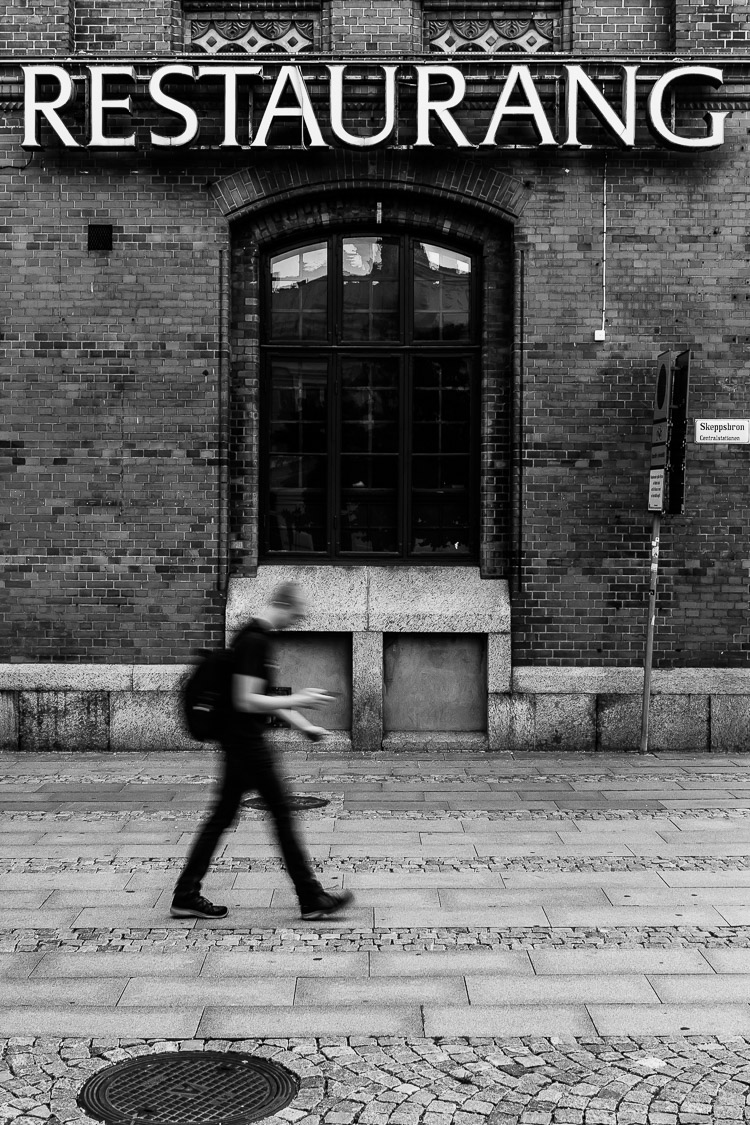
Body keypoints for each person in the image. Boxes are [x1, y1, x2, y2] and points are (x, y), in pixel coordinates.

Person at [171, 582, 353, 921]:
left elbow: (260, 695)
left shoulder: (253, 637)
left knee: (222, 818)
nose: (294, 623)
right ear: (282, 606)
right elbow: (246, 699)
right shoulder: (254, 641)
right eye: (295, 616)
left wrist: (303, 725)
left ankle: (185, 893)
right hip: (247, 744)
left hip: (240, 742)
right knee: (282, 814)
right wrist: (300, 699)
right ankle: (311, 897)